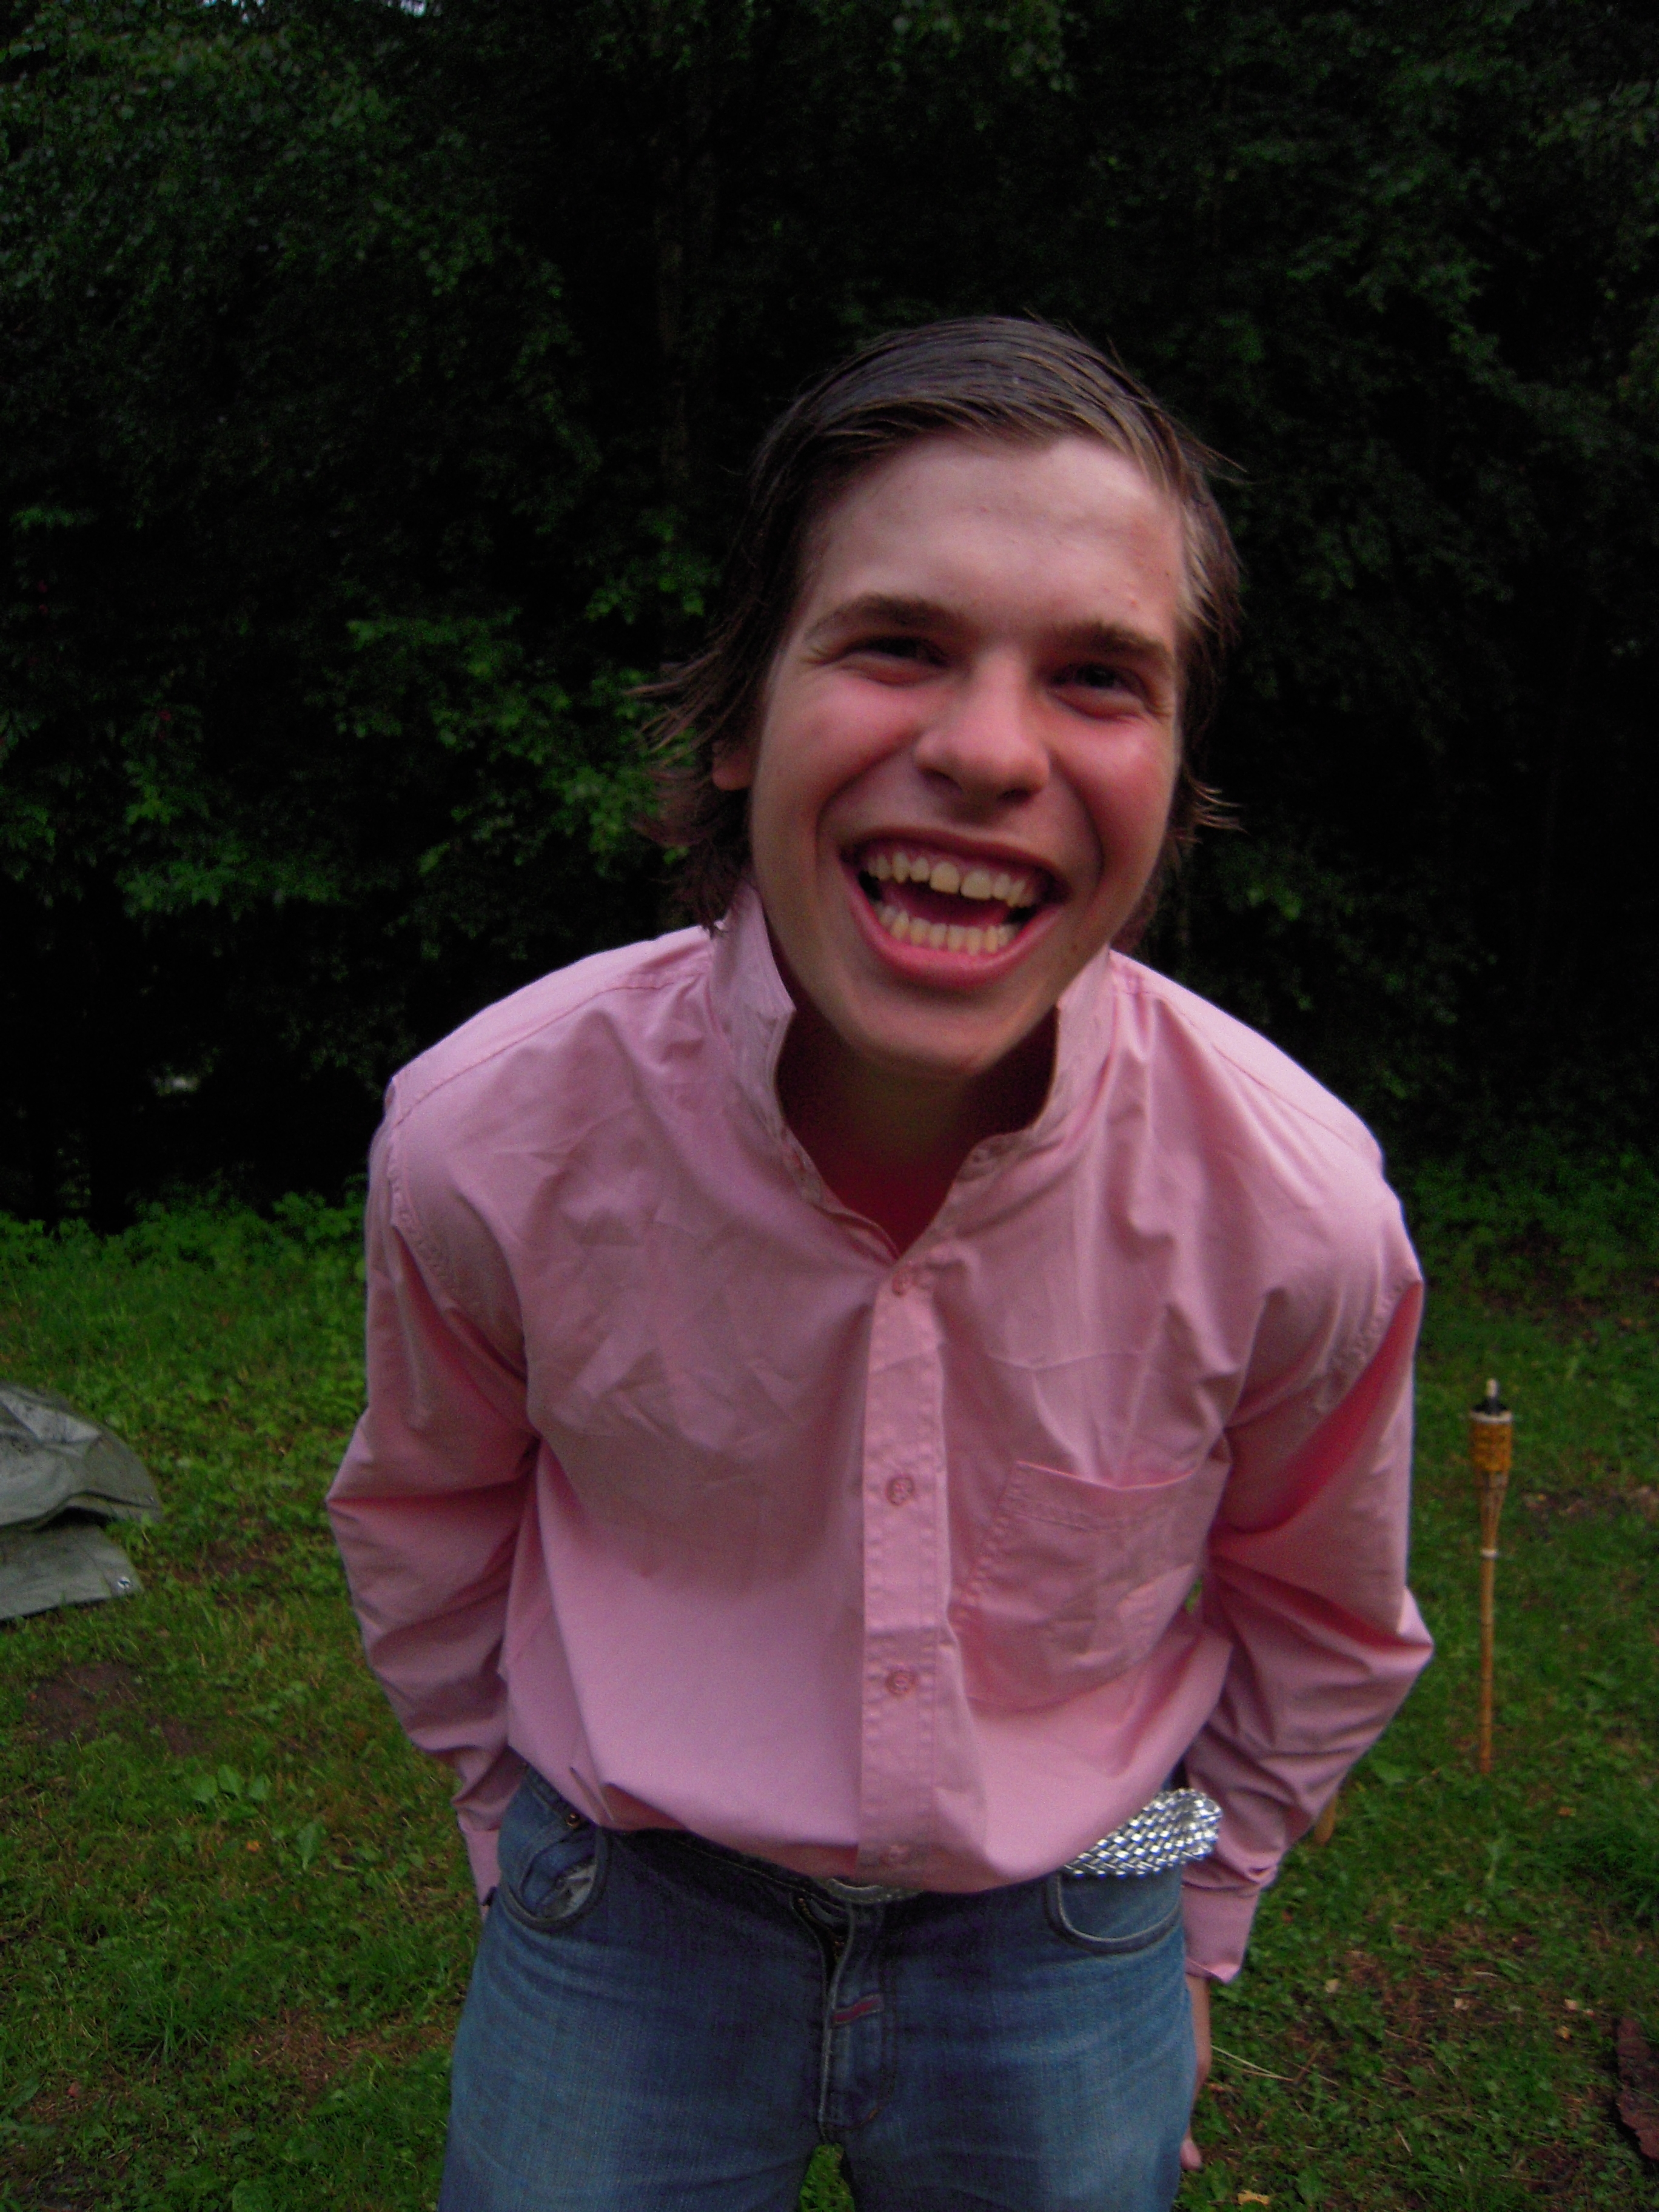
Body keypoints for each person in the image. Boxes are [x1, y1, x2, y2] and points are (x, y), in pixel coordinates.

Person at [327, 317, 1433, 2212]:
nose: (988, 750)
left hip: (1070, 1929)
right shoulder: (492, 1142)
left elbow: (1321, 1614)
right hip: (626, 1907)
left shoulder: (1296, 1209)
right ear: (740, 714)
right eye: (898, 643)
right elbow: (428, 1515)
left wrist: (1186, 1902)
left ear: (1175, 768)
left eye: (1098, 677)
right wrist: (518, 1838)